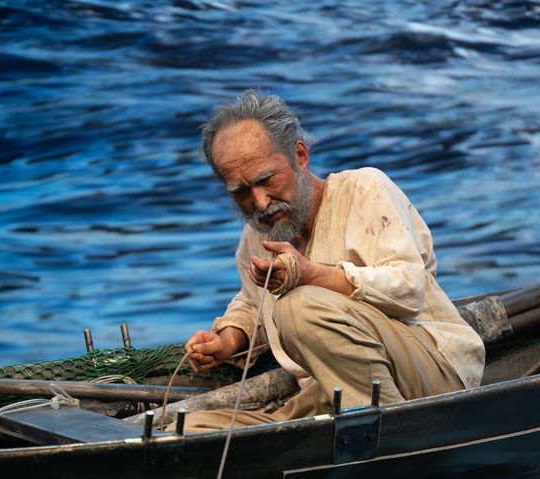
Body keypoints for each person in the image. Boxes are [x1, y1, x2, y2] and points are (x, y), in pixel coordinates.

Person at [179, 89, 485, 431]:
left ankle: (392, 435)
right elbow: (252, 301)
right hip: (327, 393)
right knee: (187, 431)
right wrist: (228, 340)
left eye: (266, 180)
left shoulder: (364, 189)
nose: (260, 202)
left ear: (299, 155)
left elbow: (409, 290)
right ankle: (358, 427)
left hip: (431, 375)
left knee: (298, 307)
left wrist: (310, 275)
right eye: (240, 192)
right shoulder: (254, 238)